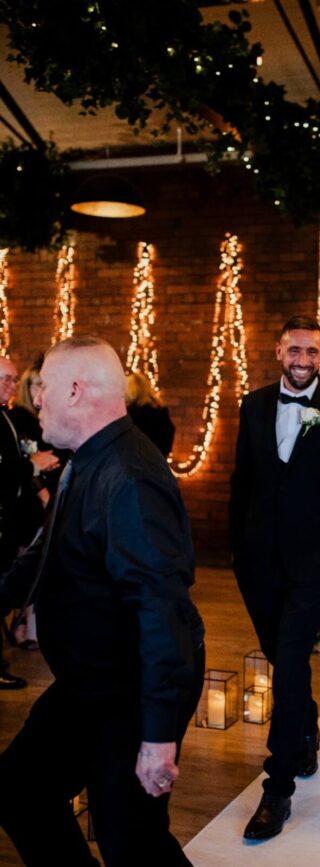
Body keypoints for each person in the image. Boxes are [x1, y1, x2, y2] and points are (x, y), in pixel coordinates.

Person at [0, 336, 205, 866]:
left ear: (74, 390)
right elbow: (42, 557)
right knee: (20, 790)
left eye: (42, 388)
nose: (35, 399)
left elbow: (162, 611)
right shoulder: (87, 457)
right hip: (90, 681)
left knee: (131, 841)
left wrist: (157, 736)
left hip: (132, 687)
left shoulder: (130, 478)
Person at [230, 314, 320, 841]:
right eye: (295, 350)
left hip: (314, 558)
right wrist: (235, 548)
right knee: (282, 658)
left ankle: (279, 785)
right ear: (278, 351)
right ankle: (306, 726)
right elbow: (242, 480)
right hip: (256, 559)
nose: (303, 360)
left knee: (289, 659)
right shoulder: (253, 404)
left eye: (312, 352)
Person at [0, 354, 58, 687]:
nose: (12, 385)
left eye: (13, 378)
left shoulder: (6, 415)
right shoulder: (13, 416)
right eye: (6, 379)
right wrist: (32, 464)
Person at [125, 370, 176, 458]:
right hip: (156, 460)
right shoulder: (160, 409)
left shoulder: (127, 413)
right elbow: (169, 433)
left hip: (133, 461)